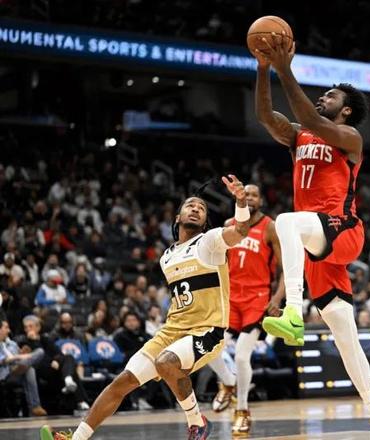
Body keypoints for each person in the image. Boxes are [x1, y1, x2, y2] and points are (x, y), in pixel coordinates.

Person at [253, 33, 370, 439]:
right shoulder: (299, 136)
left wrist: (286, 70)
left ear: (347, 110)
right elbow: (266, 116)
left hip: (342, 229)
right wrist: (264, 69)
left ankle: (294, 314)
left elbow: (312, 119)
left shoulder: (350, 137)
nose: (323, 98)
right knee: (344, 335)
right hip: (316, 242)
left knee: (285, 222)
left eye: (331, 96)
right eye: (322, 94)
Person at [40, 175, 249, 440]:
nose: (196, 208)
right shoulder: (167, 257)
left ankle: (197, 422)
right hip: (171, 331)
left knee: (166, 362)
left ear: (206, 220)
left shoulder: (210, 241)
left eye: (201, 208)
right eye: (190, 205)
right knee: (122, 382)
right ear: (178, 217)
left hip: (207, 330)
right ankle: (77, 438)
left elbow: (240, 231)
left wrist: (240, 202)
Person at [207, 184, 284, 436]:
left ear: (261, 200)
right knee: (207, 346)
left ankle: (242, 410)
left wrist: (277, 298)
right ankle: (228, 382)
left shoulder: (270, 227)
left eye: (254, 195)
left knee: (241, 356)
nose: (249, 198)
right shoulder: (229, 224)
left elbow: (284, 269)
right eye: (246, 194)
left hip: (257, 298)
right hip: (231, 296)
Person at [0, 319, 47, 416]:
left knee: (39, 353)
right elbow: (3, 360)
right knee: (29, 368)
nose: (9, 330)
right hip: (7, 373)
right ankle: (35, 406)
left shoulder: (12, 343)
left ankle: (35, 408)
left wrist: (23, 353)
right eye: (6, 328)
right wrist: (21, 357)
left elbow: (20, 355)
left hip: (19, 368)